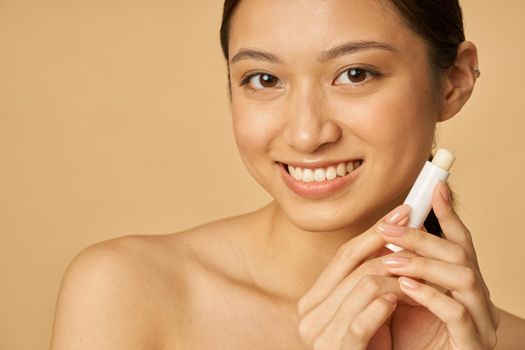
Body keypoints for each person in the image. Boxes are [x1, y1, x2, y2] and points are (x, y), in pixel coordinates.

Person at [50, 0, 525, 349]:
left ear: (455, 81)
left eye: (355, 74)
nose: (305, 134)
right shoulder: (125, 292)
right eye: (264, 79)